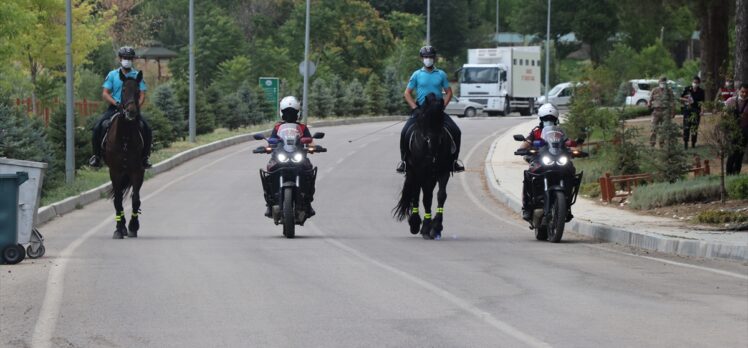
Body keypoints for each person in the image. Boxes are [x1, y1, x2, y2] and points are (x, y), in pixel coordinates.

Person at [397, 45, 464, 173]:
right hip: (421, 110)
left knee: (456, 131)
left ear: (434, 58)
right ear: (422, 58)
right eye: (425, 57)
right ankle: (404, 162)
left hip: (437, 111)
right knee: (404, 132)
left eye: (430, 57)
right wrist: (415, 108)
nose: (428, 59)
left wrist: (442, 106)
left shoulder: (441, 74)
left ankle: (454, 162)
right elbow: (407, 93)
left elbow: (449, 92)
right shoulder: (417, 74)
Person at [89, 46, 152, 168]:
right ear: (120, 59)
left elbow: (142, 94)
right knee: (97, 127)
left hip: (132, 109)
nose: (127, 60)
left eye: (129, 58)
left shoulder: (137, 75)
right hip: (115, 107)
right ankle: (96, 157)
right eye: (125, 58)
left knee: (147, 128)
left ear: (132, 59)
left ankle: (145, 158)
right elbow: (105, 93)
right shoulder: (112, 74)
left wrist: (136, 106)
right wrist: (116, 103)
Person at [262, 96, 316, 217]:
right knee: (269, 172)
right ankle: (269, 204)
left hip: (298, 156)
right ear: (282, 113)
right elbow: (271, 141)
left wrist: (313, 147)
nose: (289, 115)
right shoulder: (277, 127)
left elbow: (311, 141)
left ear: (298, 113)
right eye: (287, 112)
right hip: (280, 156)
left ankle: (307, 203)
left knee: (309, 171)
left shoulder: (302, 127)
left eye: (292, 112)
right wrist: (266, 147)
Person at [519, 103, 561, 222]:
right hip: (540, 159)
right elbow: (525, 143)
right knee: (529, 175)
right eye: (546, 119)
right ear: (541, 119)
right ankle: (527, 207)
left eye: (551, 119)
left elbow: (567, 142)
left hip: (558, 159)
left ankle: (566, 203)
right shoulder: (536, 131)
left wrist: (574, 149)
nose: (549, 121)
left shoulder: (559, 131)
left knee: (571, 170)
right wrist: (523, 149)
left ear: (556, 120)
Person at [726, 83, 748, 175]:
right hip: (732, 131)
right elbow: (724, 116)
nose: (744, 94)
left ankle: (736, 174)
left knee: (740, 155)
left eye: (746, 92)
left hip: (745, 132)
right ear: (738, 90)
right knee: (732, 153)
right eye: (742, 91)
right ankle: (728, 173)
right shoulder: (730, 101)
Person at [648, 76, 675, 147]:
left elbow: (672, 102)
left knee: (663, 130)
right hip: (656, 112)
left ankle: (662, 145)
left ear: (666, 83)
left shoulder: (669, 91)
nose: (662, 84)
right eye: (661, 82)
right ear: (658, 82)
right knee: (653, 129)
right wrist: (649, 104)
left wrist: (673, 111)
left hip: (665, 112)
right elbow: (650, 100)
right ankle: (652, 144)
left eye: (664, 82)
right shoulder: (654, 90)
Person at [680, 76, 705, 149]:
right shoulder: (687, 89)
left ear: (699, 83)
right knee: (686, 127)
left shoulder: (701, 91)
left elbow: (702, 102)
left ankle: (693, 143)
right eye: (694, 82)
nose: (695, 84)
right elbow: (681, 97)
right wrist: (686, 99)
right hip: (687, 110)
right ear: (692, 82)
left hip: (696, 111)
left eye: (696, 83)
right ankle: (685, 143)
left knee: (694, 127)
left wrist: (702, 111)